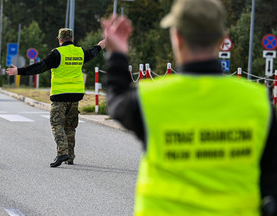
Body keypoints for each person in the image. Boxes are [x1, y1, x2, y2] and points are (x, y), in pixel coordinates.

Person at [101, 0, 277, 215]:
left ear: (177, 37)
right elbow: (270, 180)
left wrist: (118, 54)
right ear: (223, 40)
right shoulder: (258, 100)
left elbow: (116, 101)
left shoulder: (150, 99)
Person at [6, 28, 106, 168]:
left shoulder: (57, 53)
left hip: (60, 96)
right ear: (72, 39)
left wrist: (19, 71)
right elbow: (92, 53)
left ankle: (62, 152)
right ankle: (70, 156)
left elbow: (40, 67)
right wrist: (100, 46)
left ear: (59, 39)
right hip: (76, 95)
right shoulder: (80, 52)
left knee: (56, 124)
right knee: (70, 127)